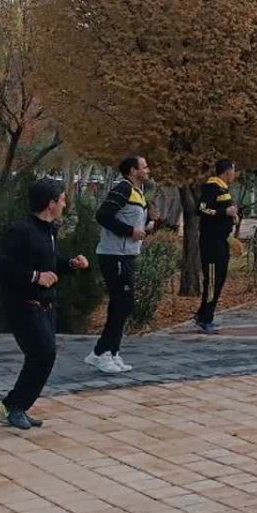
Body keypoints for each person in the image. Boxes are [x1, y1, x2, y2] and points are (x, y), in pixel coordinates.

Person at [0, 179, 90, 431]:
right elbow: (1, 264)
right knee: (43, 354)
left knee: (42, 356)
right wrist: (35, 277)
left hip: (45, 305)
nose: (65, 204)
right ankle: (14, 406)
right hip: (23, 304)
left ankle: (14, 406)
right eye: (63, 199)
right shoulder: (21, 230)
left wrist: (71, 264)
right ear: (51, 203)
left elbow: (50, 262)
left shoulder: (48, 230)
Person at [89, 154, 157, 374]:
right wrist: (129, 231)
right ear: (133, 171)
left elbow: (135, 222)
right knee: (123, 303)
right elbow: (103, 215)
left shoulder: (138, 192)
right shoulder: (123, 189)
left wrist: (150, 221)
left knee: (121, 304)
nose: (148, 170)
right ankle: (102, 352)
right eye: (144, 167)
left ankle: (110, 351)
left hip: (127, 254)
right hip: (114, 255)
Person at [194, 159, 240, 332]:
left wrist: (232, 216)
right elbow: (201, 209)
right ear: (227, 171)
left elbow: (223, 211)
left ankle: (204, 314)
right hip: (211, 242)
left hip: (222, 240)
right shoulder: (212, 186)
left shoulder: (223, 188)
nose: (235, 174)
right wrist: (223, 212)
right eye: (233, 171)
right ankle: (205, 318)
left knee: (220, 278)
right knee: (212, 280)